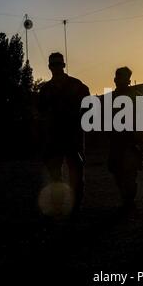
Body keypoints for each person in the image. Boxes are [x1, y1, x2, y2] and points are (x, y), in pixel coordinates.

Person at [38, 52, 90, 216]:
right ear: (49, 67)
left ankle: (75, 206)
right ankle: (59, 205)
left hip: (73, 136)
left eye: (58, 64)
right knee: (55, 175)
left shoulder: (77, 86)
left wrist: (78, 120)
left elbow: (89, 107)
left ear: (63, 66)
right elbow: (40, 112)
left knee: (76, 173)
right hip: (54, 138)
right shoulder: (45, 90)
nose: (56, 68)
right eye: (53, 65)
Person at [108, 67, 143, 213]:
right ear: (115, 80)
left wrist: (142, 139)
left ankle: (129, 200)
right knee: (118, 173)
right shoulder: (109, 99)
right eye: (120, 78)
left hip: (131, 143)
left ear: (128, 80)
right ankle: (126, 198)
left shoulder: (137, 98)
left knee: (130, 174)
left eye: (125, 79)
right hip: (116, 142)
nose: (122, 81)